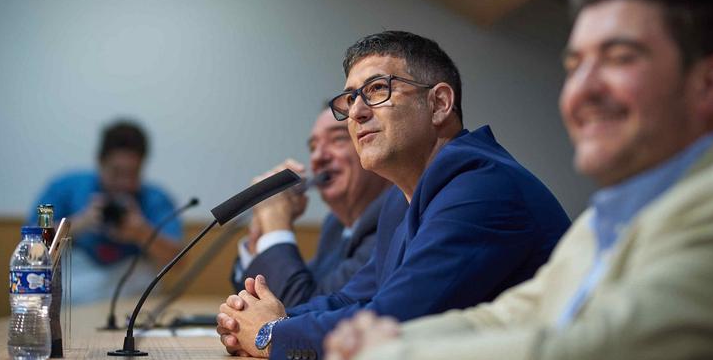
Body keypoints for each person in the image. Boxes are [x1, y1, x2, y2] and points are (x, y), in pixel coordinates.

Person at [324, 0, 713, 360]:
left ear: (709, 83)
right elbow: (511, 317)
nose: (581, 90)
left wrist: (389, 351)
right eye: (576, 64)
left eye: (619, 58)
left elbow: (588, 350)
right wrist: (381, 340)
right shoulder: (610, 217)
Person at [216, 31, 571, 359]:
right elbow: (351, 298)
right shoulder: (400, 200)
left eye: (376, 90)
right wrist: (250, 320)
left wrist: (270, 334)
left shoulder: (482, 188)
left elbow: (393, 321)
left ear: (440, 104)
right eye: (351, 98)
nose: (356, 112)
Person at [230, 107, 400, 307]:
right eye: (313, 147)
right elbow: (281, 298)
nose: (318, 157)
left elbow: (302, 309)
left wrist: (276, 230)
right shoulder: (334, 225)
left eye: (337, 139)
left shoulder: (395, 219)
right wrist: (260, 234)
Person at [28, 120, 182, 303]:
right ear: (100, 162)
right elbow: (32, 244)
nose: (124, 183)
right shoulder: (63, 186)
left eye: (133, 173)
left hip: (129, 288)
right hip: (76, 285)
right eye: (116, 172)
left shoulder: (156, 198)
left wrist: (141, 232)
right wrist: (80, 223)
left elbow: (180, 261)